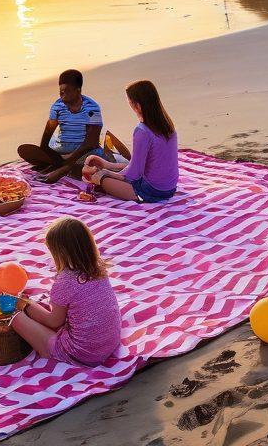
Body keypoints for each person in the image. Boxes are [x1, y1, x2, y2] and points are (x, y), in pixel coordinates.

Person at [10, 217, 122, 365]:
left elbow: (54, 322)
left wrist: (24, 305)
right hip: (109, 342)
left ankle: (48, 349)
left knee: (16, 319)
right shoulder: (98, 267)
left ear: (60, 252)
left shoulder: (66, 281)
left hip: (82, 353)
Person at [82, 80, 178, 203]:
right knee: (118, 169)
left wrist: (105, 173)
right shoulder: (168, 126)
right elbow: (140, 166)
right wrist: (107, 165)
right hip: (170, 189)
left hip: (151, 192)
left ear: (137, 105)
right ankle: (107, 170)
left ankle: (105, 177)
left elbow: (133, 175)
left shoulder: (142, 131)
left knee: (101, 179)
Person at [17, 69, 103, 183]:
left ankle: (63, 168)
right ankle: (59, 164)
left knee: (90, 164)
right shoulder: (57, 106)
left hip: (85, 151)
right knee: (24, 150)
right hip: (62, 150)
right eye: (61, 92)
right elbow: (49, 130)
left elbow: (91, 142)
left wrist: (70, 158)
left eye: (67, 91)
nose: (63, 95)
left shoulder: (92, 108)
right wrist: (45, 151)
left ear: (78, 91)